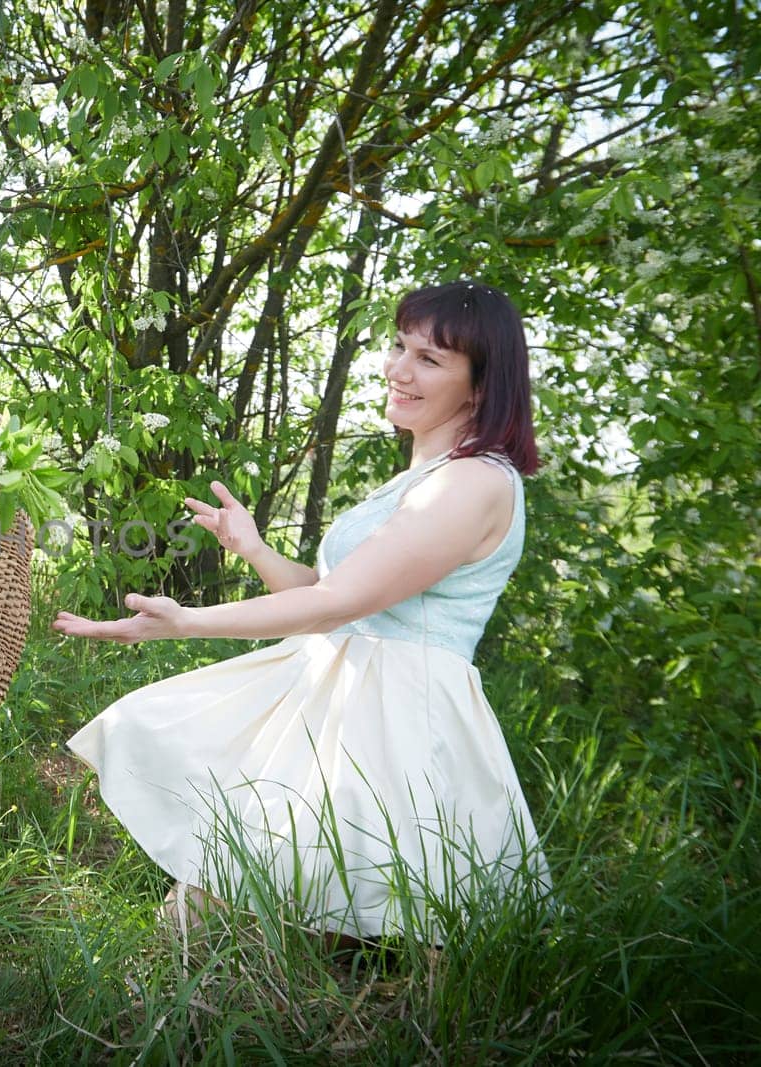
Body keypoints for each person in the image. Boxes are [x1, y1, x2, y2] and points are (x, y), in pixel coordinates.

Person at [54, 281, 547, 946]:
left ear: (482, 386)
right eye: (400, 347)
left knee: (395, 925)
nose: (398, 369)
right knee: (224, 890)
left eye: (429, 359)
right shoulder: (425, 477)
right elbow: (330, 589)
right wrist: (253, 547)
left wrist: (187, 621)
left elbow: (337, 603)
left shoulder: (475, 481)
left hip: (396, 722)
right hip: (337, 697)